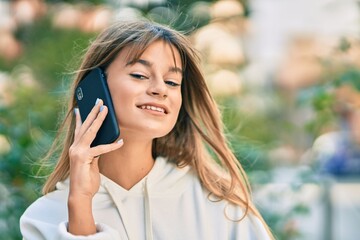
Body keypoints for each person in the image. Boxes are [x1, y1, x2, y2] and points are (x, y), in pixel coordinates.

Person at [20, 19, 274, 239]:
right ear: (96, 86)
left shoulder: (219, 202)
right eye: (140, 75)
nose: (160, 89)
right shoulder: (46, 218)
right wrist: (80, 204)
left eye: (172, 81)